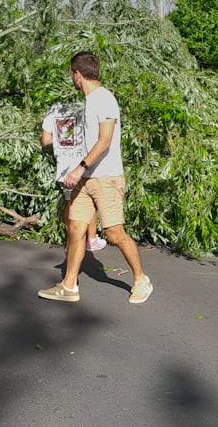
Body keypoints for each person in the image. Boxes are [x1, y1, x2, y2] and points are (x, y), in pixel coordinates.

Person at [38, 52, 153, 304]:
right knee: (76, 227)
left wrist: (79, 167)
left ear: (77, 74)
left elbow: (104, 142)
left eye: (72, 74)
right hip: (86, 178)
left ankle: (141, 279)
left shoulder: (104, 99)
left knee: (114, 233)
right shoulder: (89, 102)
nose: (72, 79)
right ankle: (69, 286)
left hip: (106, 178)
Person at [42, 103, 106, 251]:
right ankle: (90, 239)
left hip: (64, 166)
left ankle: (71, 241)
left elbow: (45, 141)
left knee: (69, 203)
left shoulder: (53, 109)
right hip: (84, 165)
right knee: (89, 202)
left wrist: (60, 141)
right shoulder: (85, 106)